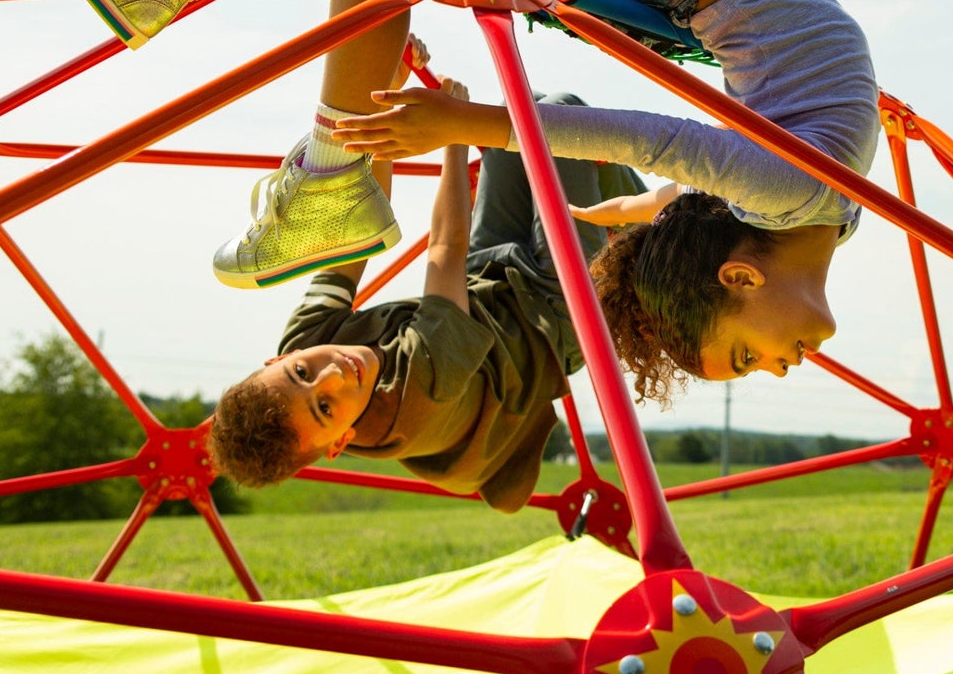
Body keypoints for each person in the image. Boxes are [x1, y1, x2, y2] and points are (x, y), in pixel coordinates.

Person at [6, 0, 879, 402]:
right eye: (743, 356)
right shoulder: (806, 203)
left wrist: (651, 212)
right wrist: (473, 124)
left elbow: (697, 175)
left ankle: (319, 162)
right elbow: (665, 145)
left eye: (750, 362)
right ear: (737, 272)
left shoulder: (804, 209)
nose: (777, 366)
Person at [208, 74, 645, 504]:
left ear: (279, 358)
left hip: (487, 282)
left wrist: (382, 111)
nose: (333, 374)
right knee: (558, 114)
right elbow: (445, 248)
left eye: (301, 372)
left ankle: (639, 223)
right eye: (325, 407)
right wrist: (454, 131)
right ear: (341, 442)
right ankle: (663, 234)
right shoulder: (416, 399)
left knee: (520, 110)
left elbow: (359, 232)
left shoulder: (306, 340)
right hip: (552, 318)